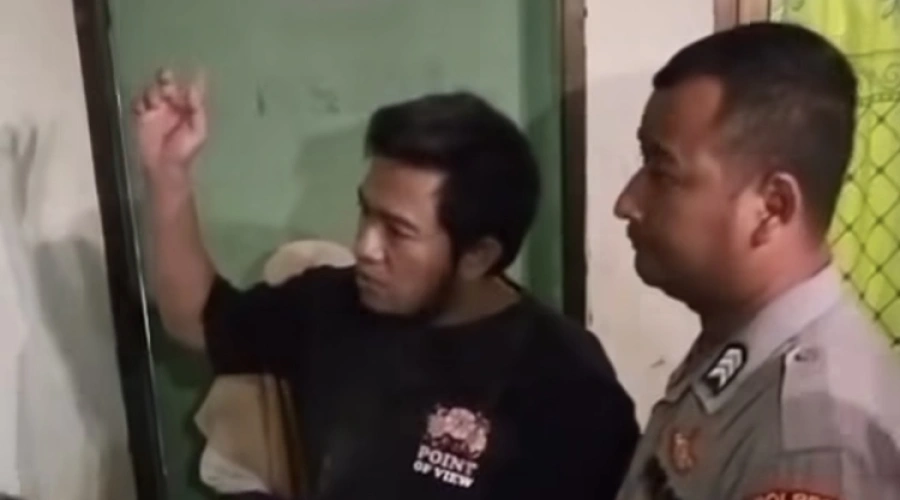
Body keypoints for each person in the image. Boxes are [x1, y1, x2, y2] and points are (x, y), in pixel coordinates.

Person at [133, 70, 639, 500]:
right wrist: (168, 174)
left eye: (398, 231)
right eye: (366, 212)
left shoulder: (564, 382)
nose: (365, 246)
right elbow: (195, 319)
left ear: (478, 255)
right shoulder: (332, 304)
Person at [613, 22, 900, 500]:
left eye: (662, 172)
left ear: (771, 208)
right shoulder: (743, 347)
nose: (627, 203)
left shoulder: (810, 439)